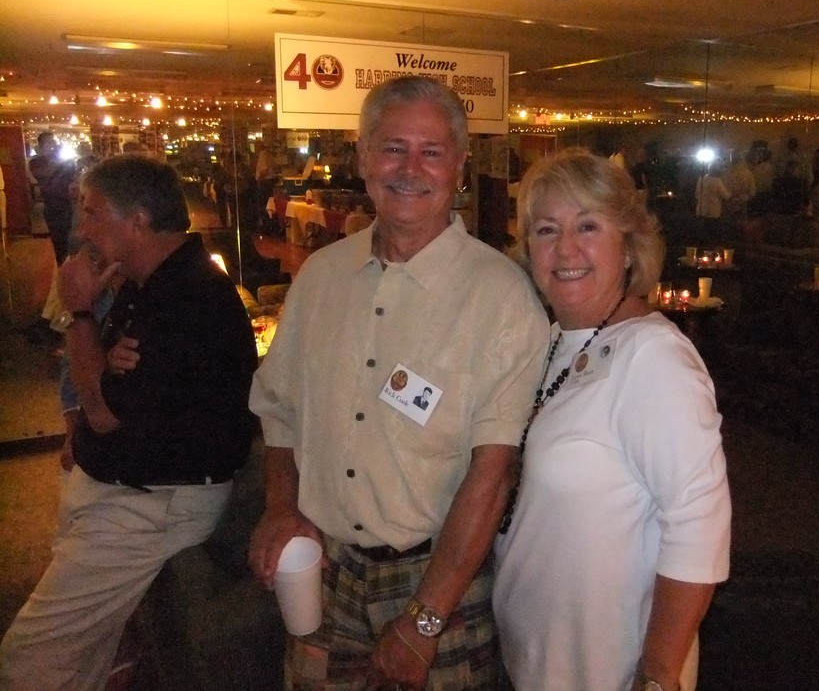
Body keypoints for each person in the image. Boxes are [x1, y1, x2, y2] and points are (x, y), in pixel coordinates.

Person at [247, 75, 549, 691]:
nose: (410, 169)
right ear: (363, 157)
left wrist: (425, 618)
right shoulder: (321, 277)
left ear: (459, 167)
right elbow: (279, 409)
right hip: (323, 567)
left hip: (439, 581)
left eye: (431, 152)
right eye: (393, 148)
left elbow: (493, 475)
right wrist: (281, 508)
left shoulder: (501, 297)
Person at [0, 154, 258, 691]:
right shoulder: (148, 283)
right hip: (125, 490)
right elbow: (99, 388)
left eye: (92, 213)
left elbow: (100, 411)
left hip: (148, 502)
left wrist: (79, 312)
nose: (81, 230)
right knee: (75, 653)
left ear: (137, 220)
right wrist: (99, 357)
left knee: (28, 658)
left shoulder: (186, 298)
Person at [494, 148, 731, 691]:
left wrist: (658, 674)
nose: (565, 248)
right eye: (546, 229)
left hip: (611, 670)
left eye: (588, 226)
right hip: (537, 660)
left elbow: (698, 525)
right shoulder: (553, 340)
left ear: (628, 245)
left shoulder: (653, 357)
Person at [28, 131, 76, 263]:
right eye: (50, 142)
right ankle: (62, 267)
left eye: (55, 142)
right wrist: (63, 161)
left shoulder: (61, 161)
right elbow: (46, 172)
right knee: (59, 243)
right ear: (41, 145)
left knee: (70, 239)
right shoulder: (36, 162)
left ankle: (69, 265)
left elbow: (72, 173)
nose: (54, 145)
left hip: (67, 204)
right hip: (53, 206)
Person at [694, 163, 731, 246]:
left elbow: (697, 194)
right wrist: (730, 192)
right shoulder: (717, 181)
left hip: (701, 210)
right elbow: (726, 196)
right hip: (713, 212)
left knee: (702, 234)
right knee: (713, 235)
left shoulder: (701, 179)